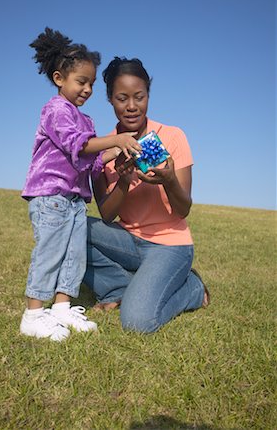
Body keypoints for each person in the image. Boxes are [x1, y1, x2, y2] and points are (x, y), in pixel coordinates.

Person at [20, 30, 141, 341]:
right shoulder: (56, 111)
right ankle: (33, 315)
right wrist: (114, 139)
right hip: (51, 196)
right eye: (81, 81)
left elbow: (91, 161)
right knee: (51, 253)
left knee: (74, 255)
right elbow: (77, 145)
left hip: (74, 200)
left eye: (91, 83)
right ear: (59, 78)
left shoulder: (84, 120)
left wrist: (119, 149)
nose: (87, 88)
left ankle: (62, 307)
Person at [83, 57, 210, 333]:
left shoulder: (173, 136)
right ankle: (117, 287)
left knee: (137, 322)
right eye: (122, 98)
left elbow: (183, 208)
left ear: (148, 96)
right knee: (69, 227)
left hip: (170, 247)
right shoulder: (102, 152)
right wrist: (124, 182)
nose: (131, 106)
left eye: (139, 97)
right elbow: (107, 214)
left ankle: (192, 287)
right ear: (110, 100)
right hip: (126, 240)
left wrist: (168, 181)